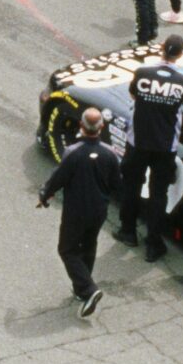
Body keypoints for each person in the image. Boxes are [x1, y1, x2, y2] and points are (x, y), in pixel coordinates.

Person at [120, 35, 183, 256]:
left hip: (137, 141)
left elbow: (133, 94)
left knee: (131, 186)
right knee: (158, 194)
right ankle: (153, 244)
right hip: (164, 146)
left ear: (161, 49)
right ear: (180, 54)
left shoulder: (142, 73)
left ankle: (128, 232)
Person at [38, 104, 120, 318]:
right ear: (101, 127)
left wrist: (45, 194)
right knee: (89, 245)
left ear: (81, 126)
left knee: (67, 249)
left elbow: (59, 177)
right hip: (99, 211)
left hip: (76, 211)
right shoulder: (110, 154)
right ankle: (81, 289)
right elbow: (116, 184)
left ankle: (88, 289)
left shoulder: (73, 152)